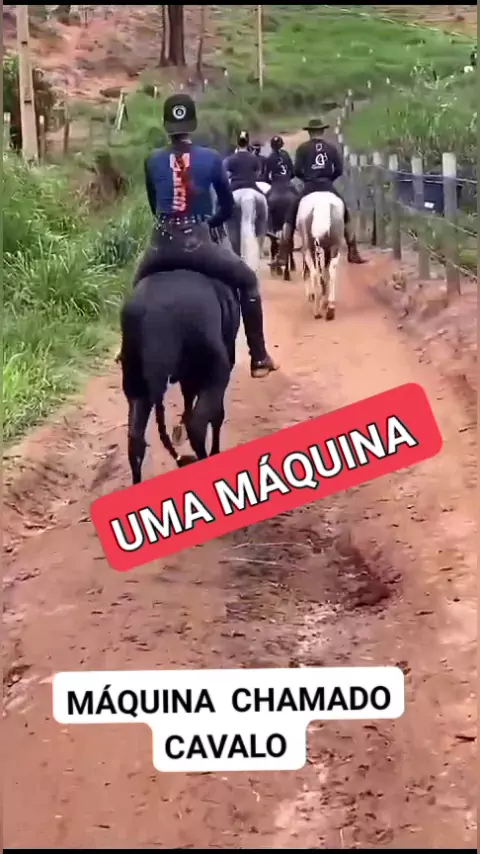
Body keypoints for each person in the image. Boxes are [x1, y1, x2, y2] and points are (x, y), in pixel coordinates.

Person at [131, 94, 278, 379]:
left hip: (162, 245)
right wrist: (211, 223)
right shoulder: (211, 158)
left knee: (137, 285)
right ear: (193, 124)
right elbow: (227, 206)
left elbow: (154, 206)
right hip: (199, 243)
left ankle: (128, 348)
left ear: (165, 125)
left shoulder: (152, 160)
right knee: (248, 281)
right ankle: (259, 356)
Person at [282, 118, 366, 264]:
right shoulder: (331, 148)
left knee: (291, 215)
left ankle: (283, 253)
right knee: (346, 214)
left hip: (310, 186)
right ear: (322, 131)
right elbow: (339, 170)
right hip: (327, 185)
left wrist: (307, 179)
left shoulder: (303, 148)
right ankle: (353, 250)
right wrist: (329, 179)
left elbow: (296, 170)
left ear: (310, 132)